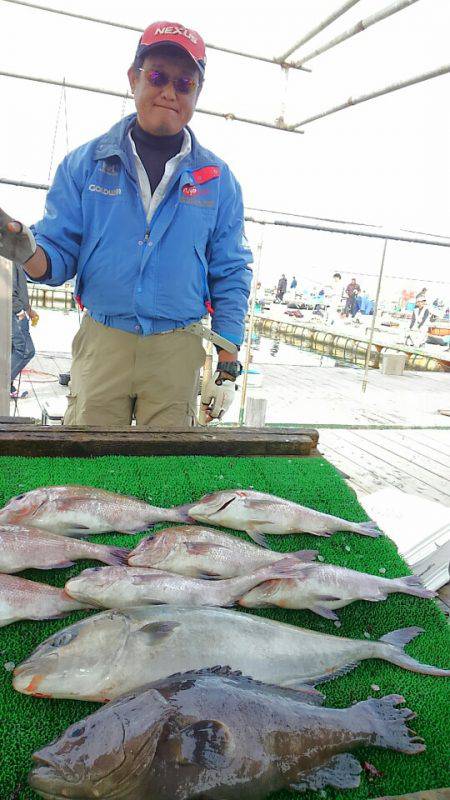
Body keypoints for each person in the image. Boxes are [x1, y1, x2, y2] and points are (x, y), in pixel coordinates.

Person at [0, 21, 252, 427]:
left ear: (197, 93)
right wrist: (30, 254)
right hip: (103, 344)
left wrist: (228, 360)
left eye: (184, 83)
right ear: (134, 78)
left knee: (169, 474)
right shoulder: (85, 164)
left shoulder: (218, 180)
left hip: (178, 348)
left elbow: (231, 271)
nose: (169, 92)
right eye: (157, 77)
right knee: (88, 469)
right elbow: (59, 254)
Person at [10, 262, 38, 398]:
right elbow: (9, 291)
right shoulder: (7, 256)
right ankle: (4, 385)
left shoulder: (13, 255)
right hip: (13, 312)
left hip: (14, 310)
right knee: (25, 351)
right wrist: (20, 311)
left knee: (12, 350)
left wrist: (29, 310)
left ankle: (7, 387)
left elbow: (19, 289)